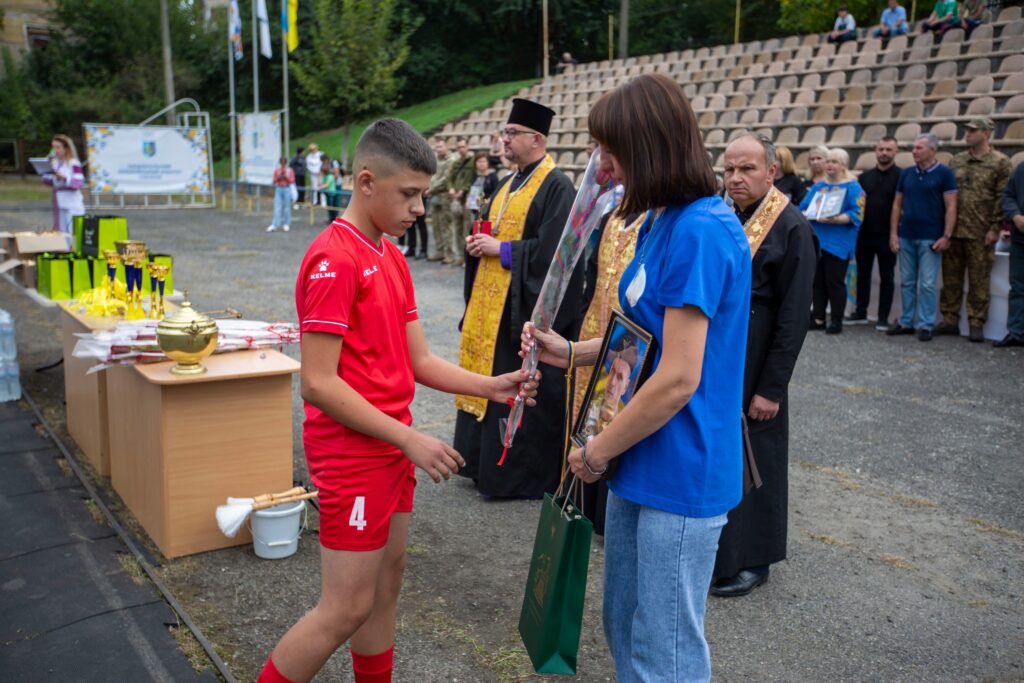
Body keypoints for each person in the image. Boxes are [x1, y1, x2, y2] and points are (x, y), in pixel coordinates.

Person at [256, 118, 539, 683]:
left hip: (389, 448)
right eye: (409, 194)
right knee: (344, 608)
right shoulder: (333, 259)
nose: (418, 208)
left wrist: (491, 384)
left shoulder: (388, 254)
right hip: (353, 452)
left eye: (424, 196)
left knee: (386, 587)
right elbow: (317, 382)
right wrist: (409, 437)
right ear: (365, 183)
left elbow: (419, 363)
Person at [522, 73, 751, 682]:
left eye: (610, 149)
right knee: (623, 623)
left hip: (681, 468)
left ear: (647, 146)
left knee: (665, 648)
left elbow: (677, 378)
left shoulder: (701, 230)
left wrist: (595, 452)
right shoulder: (660, 221)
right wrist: (568, 351)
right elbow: (637, 338)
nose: (603, 165)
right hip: (639, 460)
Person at [455, 98, 579, 499]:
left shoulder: (557, 184)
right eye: (504, 133)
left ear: (536, 138)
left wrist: (502, 250)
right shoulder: (509, 182)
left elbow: (553, 254)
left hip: (521, 310)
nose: (504, 140)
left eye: (511, 134)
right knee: (490, 382)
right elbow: (497, 233)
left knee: (518, 387)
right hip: (491, 304)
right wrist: (479, 243)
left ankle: (516, 477)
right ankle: (478, 464)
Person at [712, 133, 817, 598]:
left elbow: (795, 317)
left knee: (758, 458)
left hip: (758, 364)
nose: (735, 177)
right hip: (722, 359)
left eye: (747, 169)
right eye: (729, 169)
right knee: (724, 455)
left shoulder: (790, 226)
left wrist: (772, 388)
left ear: (771, 171)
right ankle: (720, 552)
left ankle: (754, 558)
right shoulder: (724, 216)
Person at [573, 201, 647, 536]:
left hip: (631, 341)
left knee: (618, 409)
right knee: (589, 412)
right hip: (597, 327)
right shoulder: (614, 212)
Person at [937, 118, 1012, 341]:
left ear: (987, 133)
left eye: (973, 130)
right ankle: (950, 320)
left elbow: (1002, 197)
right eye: (967, 130)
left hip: (981, 231)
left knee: (979, 281)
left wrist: (995, 227)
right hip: (955, 229)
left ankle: (976, 323)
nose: (967, 134)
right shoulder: (956, 161)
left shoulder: (1000, 162)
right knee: (951, 279)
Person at [887, 134, 958, 341]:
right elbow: (897, 204)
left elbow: (951, 206)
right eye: (914, 147)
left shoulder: (945, 173)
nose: (914, 151)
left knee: (927, 283)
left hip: (931, 238)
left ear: (932, 150)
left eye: (919, 148)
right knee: (907, 282)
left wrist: (946, 235)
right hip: (907, 234)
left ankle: (926, 323)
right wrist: (894, 233)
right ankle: (907, 321)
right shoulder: (907, 173)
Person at [801, 148, 865, 334]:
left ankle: (836, 320)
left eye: (834, 162)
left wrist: (838, 219)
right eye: (828, 161)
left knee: (835, 282)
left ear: (843, 165)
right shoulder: (818, 187)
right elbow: (803, 207)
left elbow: (858, 213)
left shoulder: (853, 187)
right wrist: (809, 214)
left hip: (838, 242)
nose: (829, 165)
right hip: (818, 240)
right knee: (817, 282)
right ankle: (819, 317)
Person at [847, 137, 902, 329]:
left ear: (896, 152)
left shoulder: (900, 177)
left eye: (888, 149)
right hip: (865, 234)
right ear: (875, 151)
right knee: (863, 274)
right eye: (881, 149)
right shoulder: (864, 177)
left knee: (887, 277)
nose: (884, 153)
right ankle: (860, 312)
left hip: (888, 235)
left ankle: (882, 318)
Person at [996, 160, 1024, 347]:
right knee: (1018, 287)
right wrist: (1015, 216)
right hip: (1020, 240)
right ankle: (1016, 332)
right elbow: (1007, 196)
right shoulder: (1021, 169)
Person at [41, 134, 85, 247]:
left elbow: (79, 182)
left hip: (72, 203)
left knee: (74, 232)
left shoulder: (73, 163)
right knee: (61, 233)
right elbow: (49, 181)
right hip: (59, 202)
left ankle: (76, 256)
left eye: (58, 147)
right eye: (53, 147)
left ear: (66, 148)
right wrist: (45, 173)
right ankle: (64, 255)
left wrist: (64, 178)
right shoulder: (54, 163)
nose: (55, 150)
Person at [426, 139, 457, 263]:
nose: (438, 149)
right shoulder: (435, 160)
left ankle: (449, 254)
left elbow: (446, 179)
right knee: (436, 225)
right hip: (434, 196)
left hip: (445, 196)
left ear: (446, 147)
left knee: (446, 225)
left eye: (440, 146)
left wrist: (431, 189)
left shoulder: (451, 160)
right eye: (436, 147)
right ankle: (440, 251)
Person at [447, 139, 476, 266]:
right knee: (457, 228)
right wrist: (451, 188)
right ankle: (459, 255)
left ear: (468, 147)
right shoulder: (456, 162)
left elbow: (473, 179)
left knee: (467, 229)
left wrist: (463, 190)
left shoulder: (473, 162)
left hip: (468, 199)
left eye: (463, 146)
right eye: (458, 147)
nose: (461, 149)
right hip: (456, 200)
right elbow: (449, 178)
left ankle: (467, 257)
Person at [466, 152, 499, 223]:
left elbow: (496, 192)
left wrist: (487, 201)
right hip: (476, 209)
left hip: (488, 209)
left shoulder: (492, 176)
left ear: (488, 163)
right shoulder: (475, 176)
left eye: (484, 161)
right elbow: (472, 190)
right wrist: (468, 200)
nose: (481, 164)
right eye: (479, 161)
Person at [267, 156, 295, 233]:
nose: (283, 164)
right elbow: (274, 181)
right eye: (282, 162)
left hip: (287, 188)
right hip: (279, 188)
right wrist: (279, 176)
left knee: (287, 207)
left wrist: (286, 176)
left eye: (284, 162)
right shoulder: (277, 170)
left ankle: (286, 223)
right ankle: (275, 224)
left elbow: (292, 180)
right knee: (277, 207)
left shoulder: (290, 170)